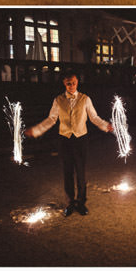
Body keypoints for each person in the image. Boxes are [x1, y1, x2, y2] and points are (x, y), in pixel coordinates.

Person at [27, 72, 115, 216]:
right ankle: (70, 202)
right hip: (65, 140)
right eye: (68, 83)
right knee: (67, 172)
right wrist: (36, 130)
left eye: (74, 83)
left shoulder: (85, 99)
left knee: (80, 172)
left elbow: (93, 117)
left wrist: (106, 126)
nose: (71, 86)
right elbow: (51, 119)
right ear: (64, 83)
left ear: (77, 82)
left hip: (81, 139)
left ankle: (81, 202)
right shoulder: (58, 100)